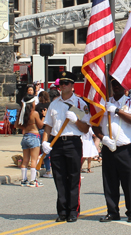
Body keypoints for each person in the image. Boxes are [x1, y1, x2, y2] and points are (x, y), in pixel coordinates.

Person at [41, 71, 91, 222]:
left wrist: (76, 120)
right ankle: (62, 211)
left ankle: (73, 210)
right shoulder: (54, 103)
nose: (62, 86)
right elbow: (48, 126)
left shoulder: (79, 104)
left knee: (73, 177)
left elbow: (85, 128)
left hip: (72, 143)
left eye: (66, 83)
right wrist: (45, 142)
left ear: (72, 85)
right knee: (59, 178)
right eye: (61, 84)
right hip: (56, 143)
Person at [92, 77, 131, 223]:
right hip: (109, 147)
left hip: (127, 149)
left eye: (119, 84)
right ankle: (112, 212)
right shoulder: (105, 104)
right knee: (110, 182)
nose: (116, 87)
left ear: (125, 86)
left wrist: (117, 111)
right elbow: (95, 125)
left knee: (129, 183)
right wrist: (102, 137)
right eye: (114, 84)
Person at [16, 94, 44, 187]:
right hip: (34, 136)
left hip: (25, 136)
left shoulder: (22, 113)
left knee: (25, 160)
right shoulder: (34, 113)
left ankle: (24, 180)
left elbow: (17, 125)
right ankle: (33, 180)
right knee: (34, 160)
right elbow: (40, 125)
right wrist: (44, 116)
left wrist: (24, 127)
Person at [36, 92, 52, 178]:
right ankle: (49, 169)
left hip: (42, 129)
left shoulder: (37, 107)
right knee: (51, 149)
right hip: (52, 129)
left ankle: (48, 169)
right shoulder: (51, 105)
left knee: (44, 150)